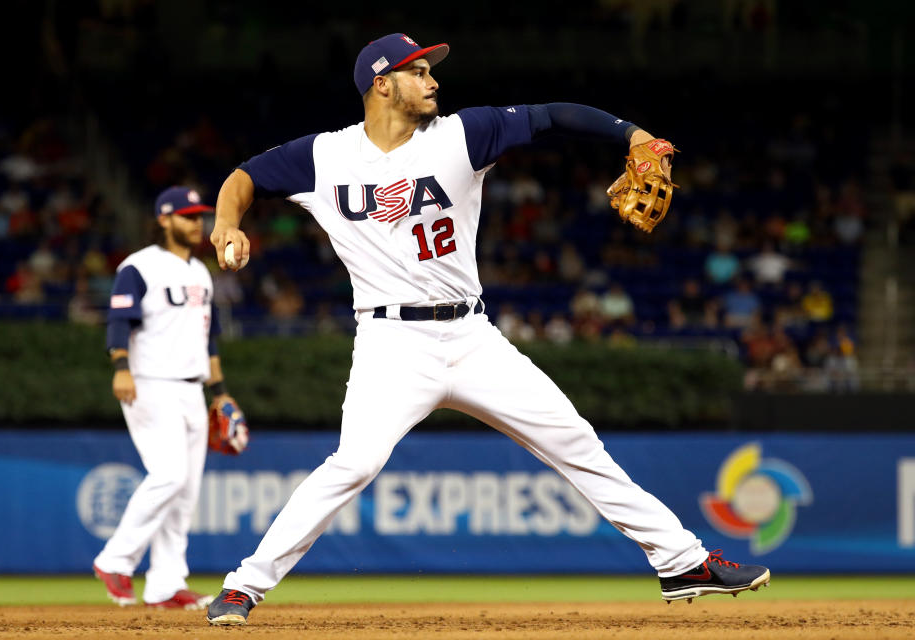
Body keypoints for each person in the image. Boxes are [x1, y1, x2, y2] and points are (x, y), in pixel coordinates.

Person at [205, 34, 769, 626]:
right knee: (354, 464)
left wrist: (633, 135)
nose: (433, 81)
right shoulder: (325, 156)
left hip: (472, 337)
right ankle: (244, 586)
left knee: (575, 441)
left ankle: (680, 560)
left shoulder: (461, 135)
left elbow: (552, 116)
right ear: (381, 84)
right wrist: (225, 224)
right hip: (391, 344)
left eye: (430, 71)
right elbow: (244, 177)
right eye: (417, 71)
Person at [92, 186, 232, 610]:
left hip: (192, 388)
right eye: (187, 216)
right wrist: (121, 368)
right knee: (169, 475)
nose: (197, 222)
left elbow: (210, 341)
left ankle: (166, 584)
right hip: (150, 382)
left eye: (199, 215)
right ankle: (116, 559)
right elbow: (119, 320)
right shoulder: (138, 267)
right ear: (164, 219)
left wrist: (222, 395)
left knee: (185, 491)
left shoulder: (202, 273)